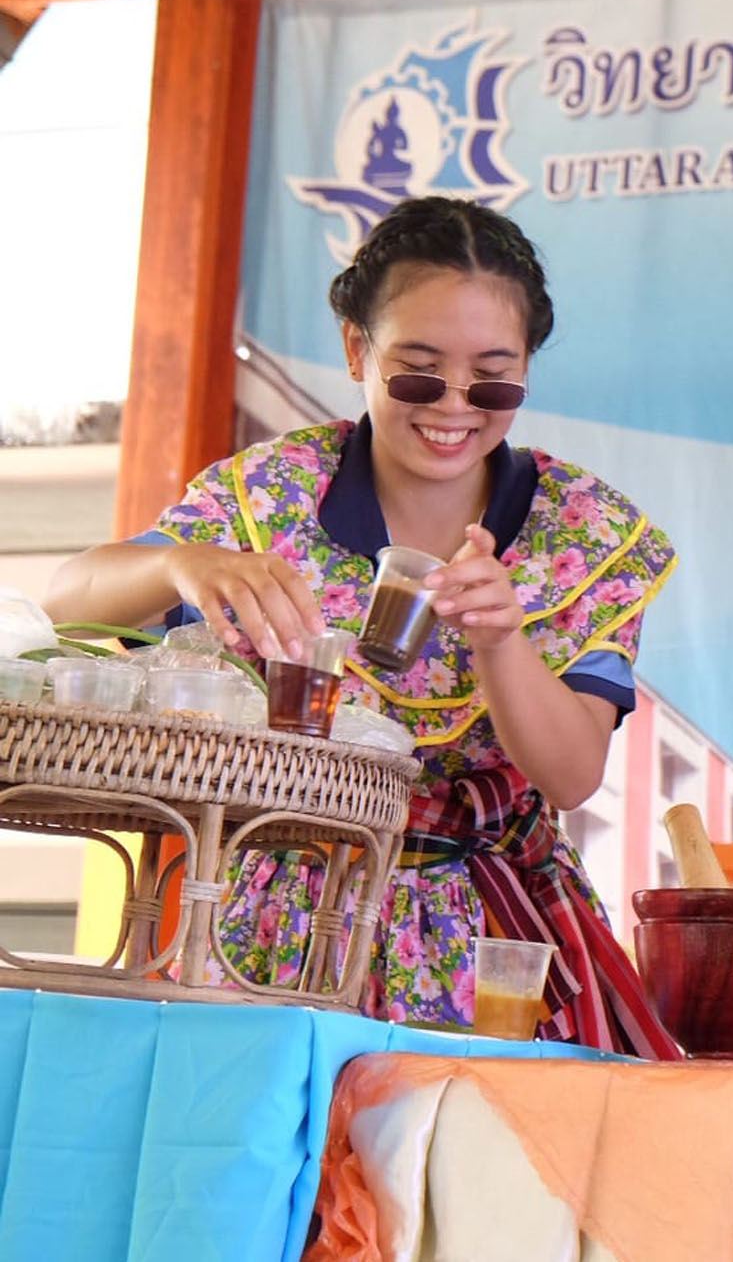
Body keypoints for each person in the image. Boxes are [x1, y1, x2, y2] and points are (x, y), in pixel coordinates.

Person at [45, 196, 678, 1058]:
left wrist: (501, 640)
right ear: (357, 350)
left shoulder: (584, 533)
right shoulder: (269, 495)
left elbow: (571, 776)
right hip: (275, 925)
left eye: (493, 378)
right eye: (418, 372)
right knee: (273, 1169)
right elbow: (63, 598)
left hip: (494, 933)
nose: (454, 406)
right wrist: (176, 563)